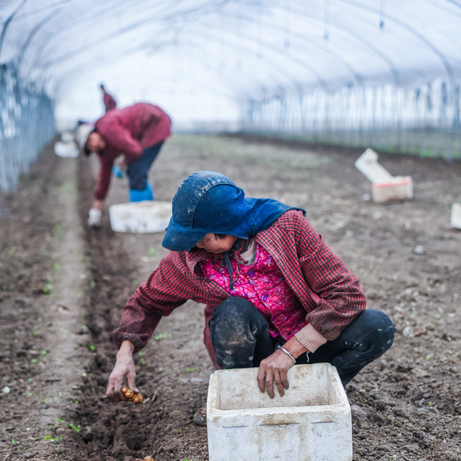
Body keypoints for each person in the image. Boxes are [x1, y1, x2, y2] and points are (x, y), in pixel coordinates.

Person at [106, 171, 395, 411]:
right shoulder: (188, 259)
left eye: (201, 238)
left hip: (307, 346)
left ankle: (314, 389)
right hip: (254, 358)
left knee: (376, 326)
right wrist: (125, 353)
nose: (194, 246)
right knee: (232, 312)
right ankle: (240, 395)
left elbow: (346, 295)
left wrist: (290, 351)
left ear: (226, 227)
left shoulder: (287, 227)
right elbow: (147, 301)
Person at [81, 102, 172, 227]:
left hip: (155, 122)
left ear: (93, 132)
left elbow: (135, 150)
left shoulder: (108, 129)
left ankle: (142, 217)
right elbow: (104, 178)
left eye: (91, 139)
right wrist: (96, 208)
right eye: (91, 147)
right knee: (136, 171)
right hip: (142, 129)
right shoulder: (103, 151)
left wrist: (123, 163)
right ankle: (148, 208)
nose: (94, 144)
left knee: (136, 170)